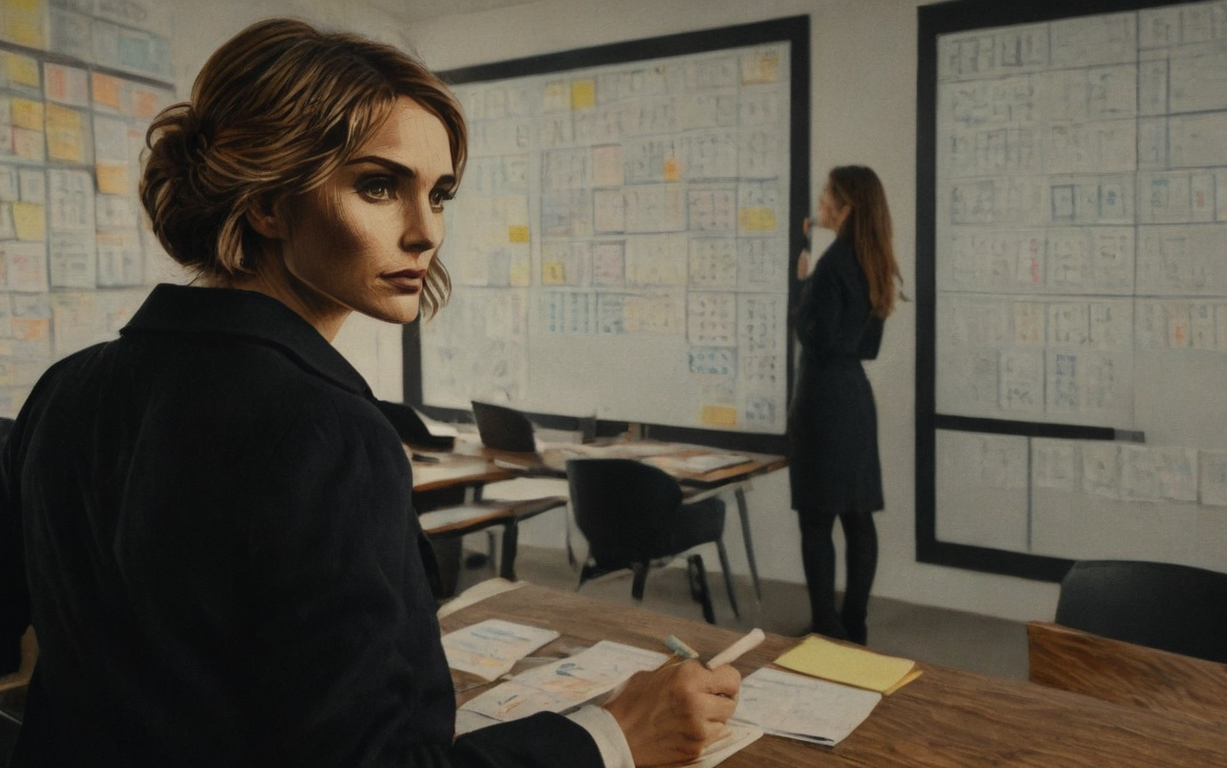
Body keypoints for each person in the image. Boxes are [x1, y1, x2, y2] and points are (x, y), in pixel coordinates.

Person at [0, 18, 738, 768]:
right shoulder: (326, 432)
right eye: (379, 186)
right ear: (268, 201)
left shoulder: (66, 386)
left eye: (440, 194)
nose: (425, 232)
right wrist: (613, 735)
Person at [789, 166, 901, 646]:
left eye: (826, 195)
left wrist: (802, 288)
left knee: (817, 518)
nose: (820, 202)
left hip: (822, 400)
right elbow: (866, 345)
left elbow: (815, 337)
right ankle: (854, 621)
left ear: (845, 207)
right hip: (855, 397)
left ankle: (825, 625)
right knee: (858, 516)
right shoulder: (874, 260)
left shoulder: (832, 263)